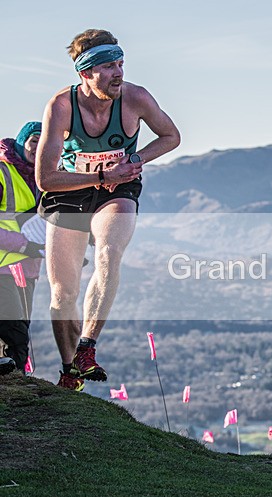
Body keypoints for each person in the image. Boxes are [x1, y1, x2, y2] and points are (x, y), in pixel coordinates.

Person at [36, 29, 180, 390]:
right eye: (108, 67)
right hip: (71, 191)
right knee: (62, 295)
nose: (118, 73)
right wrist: (101, 173)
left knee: (109, 252)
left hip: (117, 190)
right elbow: (46, 179)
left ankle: (87, 347)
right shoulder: (62, 106)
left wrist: (135, 159)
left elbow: (171, 135)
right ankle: (70, 369)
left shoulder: (135, 98)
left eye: (120, 63)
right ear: (85, 74)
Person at [0, 122, 45, 374]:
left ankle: (15, 387)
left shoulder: (45, 179)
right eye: (34, 140)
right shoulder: (2, 172)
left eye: (44, 141)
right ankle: (19, 384)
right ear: (21, 141)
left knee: (19, 330)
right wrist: (25, 245)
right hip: (2, 265)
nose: (38, 147)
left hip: (28, 269)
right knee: (14, 330)